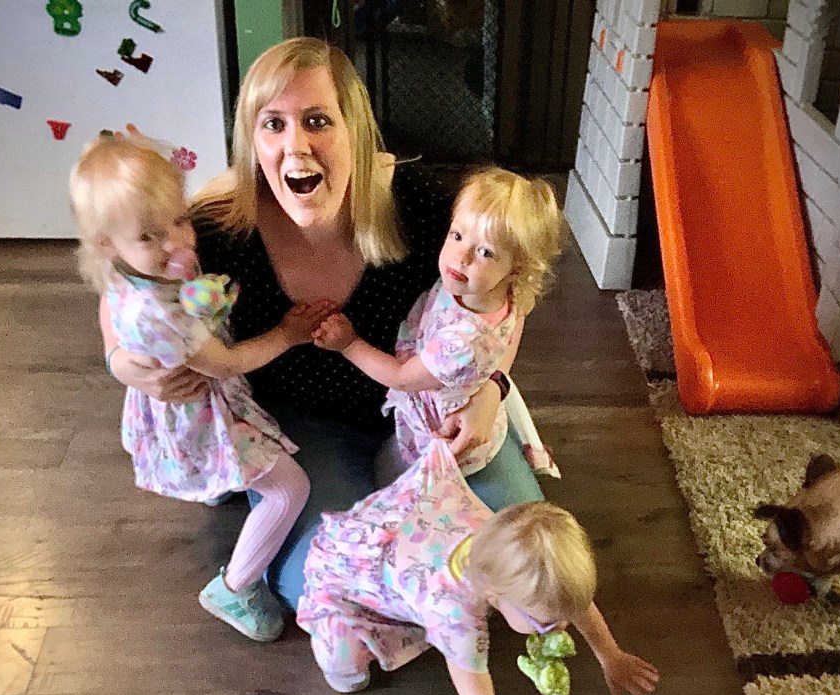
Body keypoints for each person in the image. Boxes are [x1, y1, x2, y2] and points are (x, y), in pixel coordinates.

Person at [100, 37, 545, 616]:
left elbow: (513, 295)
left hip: (432, 411)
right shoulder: (216, 225)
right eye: (273, 124)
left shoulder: (422, 205)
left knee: (528, 566)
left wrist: (493, 389)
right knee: (326, 590)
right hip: (308, 427)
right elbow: (121, 288)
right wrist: (125, 365)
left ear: (354, 129)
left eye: (317, 121)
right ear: (252, 140)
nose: (296, 146)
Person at [297, 438, 660, 695]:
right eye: (544, 623)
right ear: (493, 596)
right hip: (343, 572)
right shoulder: (456, 618)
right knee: (346, 668)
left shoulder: (501, 545)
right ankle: (348, 642)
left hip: (415, 525)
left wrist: (610, 654)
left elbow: (573, 602)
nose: (561, 628)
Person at [71, 133, 329, 642]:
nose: (177, 243)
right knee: (289, 489)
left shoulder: (129, 272)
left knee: (237, 477)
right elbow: (227, 364)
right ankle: (235, 589)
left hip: (189, 401)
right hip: (204, 415)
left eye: (179, 220)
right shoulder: (156, 313)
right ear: (107, 244)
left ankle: (219, 487)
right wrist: (288, 333)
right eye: (149, 237)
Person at [312, 166, 563, 478]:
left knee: (392, 475)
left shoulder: (464, 340)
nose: (461, 256)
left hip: (439, 433)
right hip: (442, 387)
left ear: (516, 269)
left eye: (485, 252)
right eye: (457, 235)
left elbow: (402, 378)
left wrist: (348, 344)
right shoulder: (486, 289)